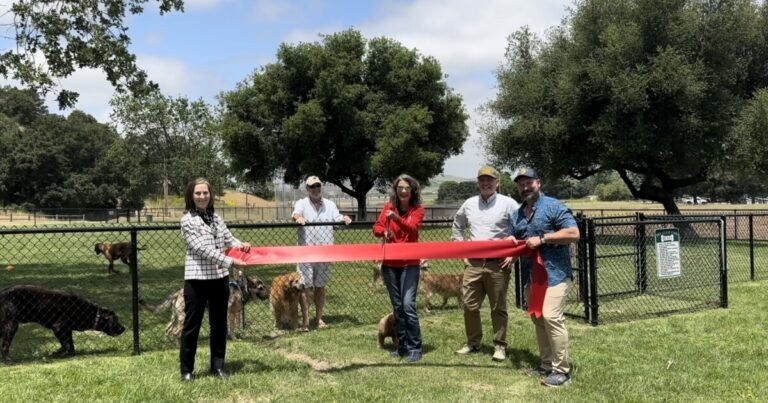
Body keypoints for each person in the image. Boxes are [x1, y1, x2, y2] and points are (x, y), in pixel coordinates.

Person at [507, 167, 579, 388]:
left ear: (538, 182)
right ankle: (546, 364)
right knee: (538, 318)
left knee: (550, 316)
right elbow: (518, 239)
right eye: (521, 184)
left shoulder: (553, 206)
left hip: (555, 275)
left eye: (529, 182)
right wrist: (512, 241)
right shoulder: (518, 214)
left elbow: (574, 233)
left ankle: (562, 371)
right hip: (533, 278)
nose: (525, 187)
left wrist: (543, 238)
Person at [179, 178, 251, 382]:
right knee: (192, 326)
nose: (202, 197)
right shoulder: (187, 221)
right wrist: (231, 261)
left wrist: (241, 245)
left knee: (219, 324)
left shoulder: (217, 218)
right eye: (198, 193)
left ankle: (217, 366)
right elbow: (202, 249)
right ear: (191, 196)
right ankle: (187, 370)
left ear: (210, 195)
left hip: (220, 279)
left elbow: (228, 238)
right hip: (197, 279)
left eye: (205, 193)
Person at [451, 166, 520, 362]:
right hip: (473, 264)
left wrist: (513, 254)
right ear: (478, 183)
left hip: (498, 265)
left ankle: (499, 346)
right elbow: (457, 226)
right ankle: (473, 343)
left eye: (490, 180)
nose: (486, 183)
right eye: (482, 180)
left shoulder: (509, 204)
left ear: (498, 182)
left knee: (498, 307)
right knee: (469, 305)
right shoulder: (469, 204)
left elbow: (521, 228)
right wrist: (461, 249)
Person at [373, 174, 426, 363]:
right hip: (390, 264)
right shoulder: (388, 207)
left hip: (409, 264)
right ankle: (401, 346)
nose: (403, 191)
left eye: (407, 188)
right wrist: (384, 231)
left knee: (407, 305)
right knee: (397, 308)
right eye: (400, 188)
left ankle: (415, 347)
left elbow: (412, 229)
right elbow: (376, 227)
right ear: (396, 190)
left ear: (413, 191)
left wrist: (396, 218)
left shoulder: (418, 209)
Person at [292, 175, 352, 331]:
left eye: (318, 186)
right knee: (304, 287)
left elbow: (337, 220)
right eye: (312, 187)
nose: (315, 189)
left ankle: (319, 319)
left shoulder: (330, 205)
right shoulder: (301, 203)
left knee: (320, 286)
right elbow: (296, 214)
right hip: (306, 253)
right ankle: (305, 322)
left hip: (325, 253)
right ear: (307, 189)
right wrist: (298, 218)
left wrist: (344, 218)